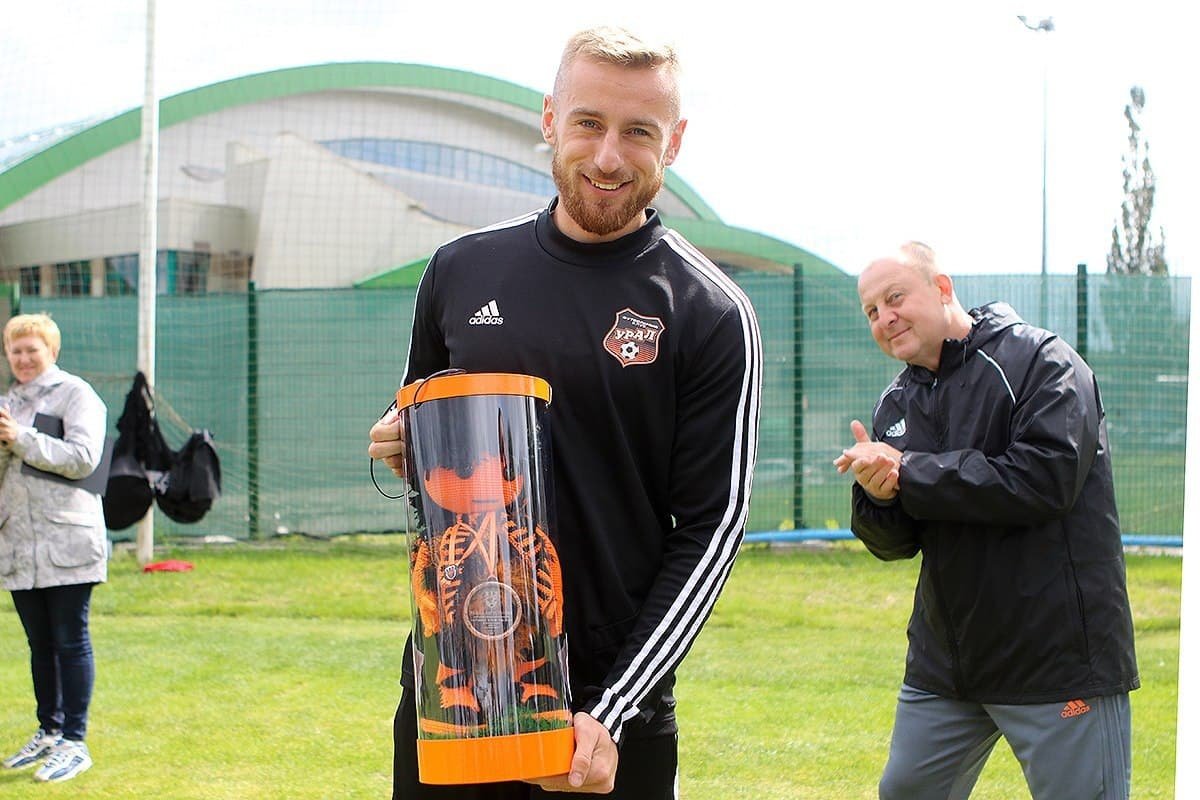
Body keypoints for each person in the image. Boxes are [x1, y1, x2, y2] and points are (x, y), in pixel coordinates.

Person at [369, 25, 762, 798]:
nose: (608, 157)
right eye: (588, 123)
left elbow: (713, 530)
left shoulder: (711, 311)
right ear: (550, 119)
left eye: (638, 132)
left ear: (675, 142)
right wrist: (399, 436)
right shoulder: (460, 270)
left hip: (605, 715)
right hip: (456, 693)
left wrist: (610, 711)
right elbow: (417, 424)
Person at [834, 242, 1139, 799]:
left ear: (942, 288)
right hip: (947, 668)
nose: (885, 318)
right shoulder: (893, 405)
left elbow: (1043, 480)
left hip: (1057, 663)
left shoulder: (1042, 361)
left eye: (895, 298)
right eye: (872, 311)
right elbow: (896, 543)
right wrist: (879, 499)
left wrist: (909, 472)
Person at [0, 313, 108, 783]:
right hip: (18, 545)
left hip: (67, 540)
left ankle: (74, 742)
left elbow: (84, 459)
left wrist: (20, 438)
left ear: (52, 351)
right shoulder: (6, 403)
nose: (24, 359)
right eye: (15, 351)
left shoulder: (77, 395)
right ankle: (49, 731)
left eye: (32, 350)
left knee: (69, 639)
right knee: (39, 644)